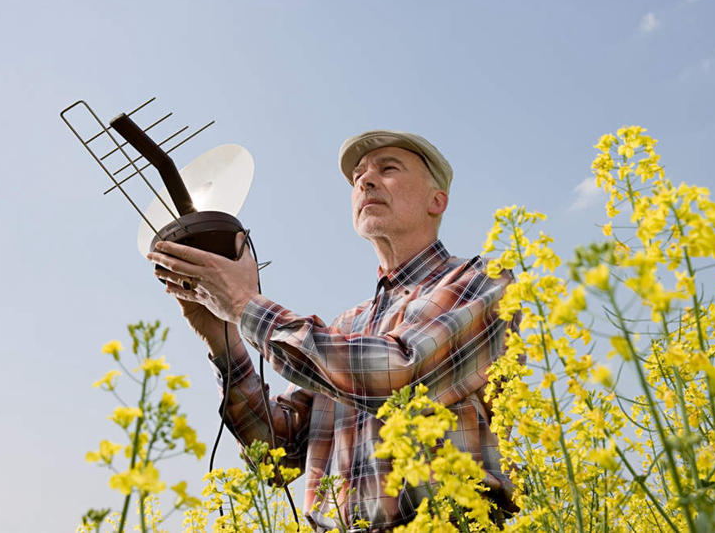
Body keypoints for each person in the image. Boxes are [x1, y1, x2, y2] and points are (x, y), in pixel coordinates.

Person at [147, 130, 516, 531]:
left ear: (436, 201)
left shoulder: (483, 282)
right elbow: (273, 458)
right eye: (358, 175)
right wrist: (226, 342)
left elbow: (400, 375)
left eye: (388, 168)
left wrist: (243, 305)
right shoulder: (347, 327)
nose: (366, 180)